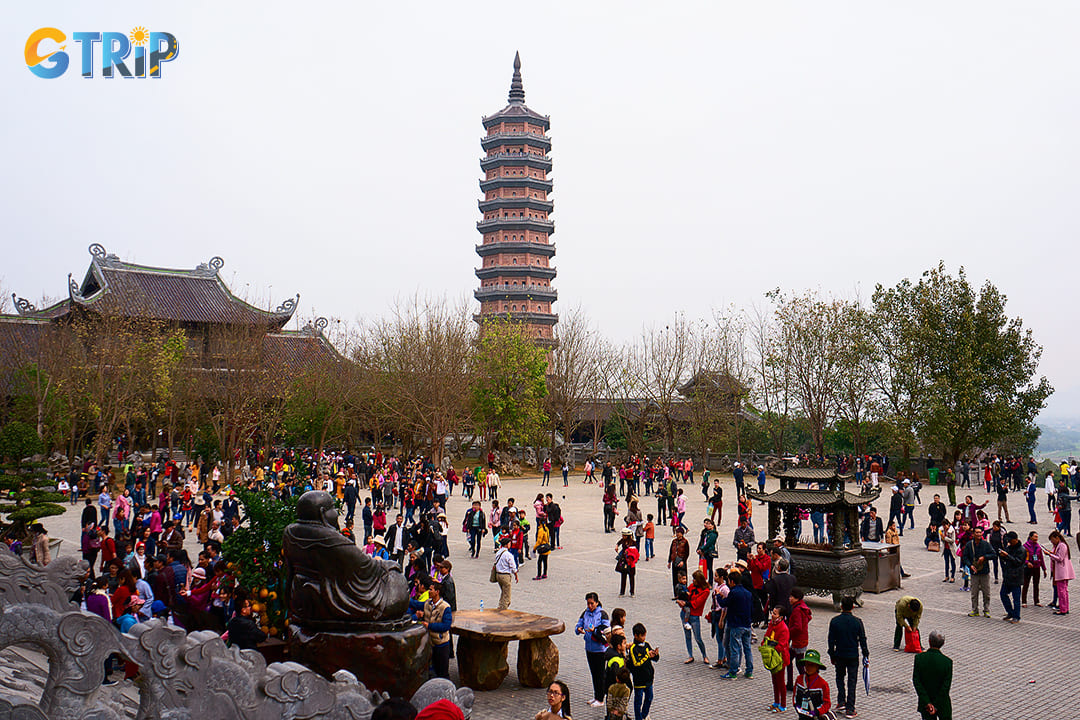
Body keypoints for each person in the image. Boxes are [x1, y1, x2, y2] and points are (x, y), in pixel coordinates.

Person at [827, 595, 867, 719]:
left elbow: (831, 640)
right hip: (853, 655)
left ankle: (841, 701)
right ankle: (850, 708)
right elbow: (862, 639)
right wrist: (866, 654)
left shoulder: (835, 621)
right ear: (853, 607)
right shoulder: (857, 622)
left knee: (839, 678)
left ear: (841, 606)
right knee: (852, 681)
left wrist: (832, 654)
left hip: (839, 654)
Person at [410, 579, 452, 679]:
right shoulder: (427, 603)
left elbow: (446, 626)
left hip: (441, 644)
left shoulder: (445, 607)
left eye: (431, 590)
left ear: (437, 592)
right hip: (430, 643)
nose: (429, 591)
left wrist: (429, 626)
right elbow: (415, 604)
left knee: (442, 672)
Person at [576, 592, 611, 708]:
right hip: (589, 648)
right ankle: (596, 696)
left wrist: (594, 630)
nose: (590, 606)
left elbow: (606, 629)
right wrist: (579, 629)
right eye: (588, 603)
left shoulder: (602, 614)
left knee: (600, 674)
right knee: (593, 673)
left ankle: (601, 698)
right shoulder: (585, 613)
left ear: (597, 602)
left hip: (600, 649)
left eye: (592, 603)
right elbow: (578, 625)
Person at [718, 569, 754, 679]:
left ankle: (733, 671)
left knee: (734, 648)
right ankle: (749, 671)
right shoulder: (748, 593)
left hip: (736, 624)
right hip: (747, 624)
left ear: (732, 581)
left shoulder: (734, 593)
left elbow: (724, 604)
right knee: (747, 648)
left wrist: (719, 596)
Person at [912, 631, 952, 720]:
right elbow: (946, 687)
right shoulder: (947, 662)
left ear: (929, 641)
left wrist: (928, 703)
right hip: (942, 704)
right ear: (943, 643)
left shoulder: (919, 658)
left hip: (925, 703)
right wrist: (936, 705)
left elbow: (917, 681)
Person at [762, 605, 791, 712]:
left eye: (775, 613)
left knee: (781, 682)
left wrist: (771, 649)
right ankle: (776, 702)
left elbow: (782, 644)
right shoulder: (772, 625)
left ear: (781, 617)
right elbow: (766, 636)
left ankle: (783, 705)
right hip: (772, 657)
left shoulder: (783, 628)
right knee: (774, 681)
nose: (772, 615)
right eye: (772, 612)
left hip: (780, 659)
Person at [961, 527, 994, 617]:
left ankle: (986, 609)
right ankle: (975, 609)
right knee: (974, 593)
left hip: (984, 572)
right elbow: (965, 557)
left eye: (980, 532)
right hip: (974, 572)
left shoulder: (986, 544)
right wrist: (970, 565)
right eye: (977, 532)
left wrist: (985, 557)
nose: (979, 534)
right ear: (973, 534)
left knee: (986, 593)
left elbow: (993, 554)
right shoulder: (969, 545)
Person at [628, 623, 658, 720]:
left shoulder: (647, 645)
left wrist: (655, 655)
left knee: (649, 698)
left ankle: (644, 715)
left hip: (648, 678)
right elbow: (636, 663)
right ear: (636, 636)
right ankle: (638, 718)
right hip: (639, 679)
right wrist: (647, 656)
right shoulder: (633, 649)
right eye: (642, 636)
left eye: (645, 635)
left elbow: (654, 659)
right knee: (638, 701)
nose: (644, 638)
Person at [793, 649, 834, 720]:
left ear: (817, 667)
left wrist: (817, 712)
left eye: (812, 665)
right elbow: (794, 696)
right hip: (802, 716)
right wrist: (796, 705)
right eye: (807, 664)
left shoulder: (823, 684)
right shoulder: (799, 679)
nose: (809, 667)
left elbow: (827, 704)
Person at [679, 570, 710, 665]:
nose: (693, 581)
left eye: (695, 579)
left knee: (698, 637)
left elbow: (697, 603)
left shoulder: (705, 591)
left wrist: (686, 602)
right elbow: (685, 594)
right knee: (687, 636)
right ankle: (690, 655)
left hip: (695, 614)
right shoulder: (692, 586)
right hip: (685, 612)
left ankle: (704, 655)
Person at [1044, 530, 1074, 615]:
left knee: (1062, 591)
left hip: (1062, 571)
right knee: (1064, 591)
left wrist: (1050, 555)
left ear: (1057, 538)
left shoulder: (1062, 545)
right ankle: (1065, 607)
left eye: (1053, 540)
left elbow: (1060, 558)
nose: (1052, 542)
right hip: (1063, 571)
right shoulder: (1060, 545)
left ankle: (1063, 609)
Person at [998, 530, 1025, 623]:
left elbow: (1018, 562)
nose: (1008, 542)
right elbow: (1005, 558)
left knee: (1016, 598)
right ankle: (1010, 612)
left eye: (1010, 540)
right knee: (1003, 594)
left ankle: (1016, 616)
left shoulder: (1021, 550)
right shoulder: (1009, 547)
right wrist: (1002, 555)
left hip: (1016, 577)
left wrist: (1008, 556)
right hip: (1008, 576)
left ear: (1015, 540)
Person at [493, 536, 518, 610]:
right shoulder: (508, 555)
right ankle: (503, 610)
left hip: (498, 575)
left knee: (503, 593)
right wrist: (516, 575)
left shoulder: (498, 552)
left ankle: (500, 606)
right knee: (507, 597)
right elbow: (513, 567)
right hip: (505, 576)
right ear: (507, 544)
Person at [1022, 531, 1046, 607]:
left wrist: (1044, 569)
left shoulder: (1038, 547)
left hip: (1036, 567)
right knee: (1026, 584)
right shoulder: (1025, 546)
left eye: (1037, 537)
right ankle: (1024, 601)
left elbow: (1041, 558)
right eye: (1035, 537)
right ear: (1030, 537)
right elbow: (1022, 557)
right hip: (1028, 567)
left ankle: (1036, 601)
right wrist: (1027, 562)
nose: (1036, 538)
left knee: (1036, 584)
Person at [667, 526, 689, 597]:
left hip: (681, 561)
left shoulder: (685, 542)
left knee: (683, 577)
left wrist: (683, 561)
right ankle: (676, 594)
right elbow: (671, 551)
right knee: (675, 578)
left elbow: (687, 553)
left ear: (682, 534)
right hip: (674, 561)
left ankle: (684, 593)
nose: (677, 534)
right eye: (677, 533)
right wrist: (669, 561)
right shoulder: (674, 541)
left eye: (679, 533)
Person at [616, 529, 639, 598]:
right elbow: (619, 542)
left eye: (624, 535)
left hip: (630, 562)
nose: (623, 536)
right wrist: (617, 546)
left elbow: (635, 552)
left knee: (631, 577)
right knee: (623, 577)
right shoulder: (623, 540)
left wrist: (628, 552)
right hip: (624, 561)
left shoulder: (633, 542)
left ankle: (632, 592)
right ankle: (622, 592)